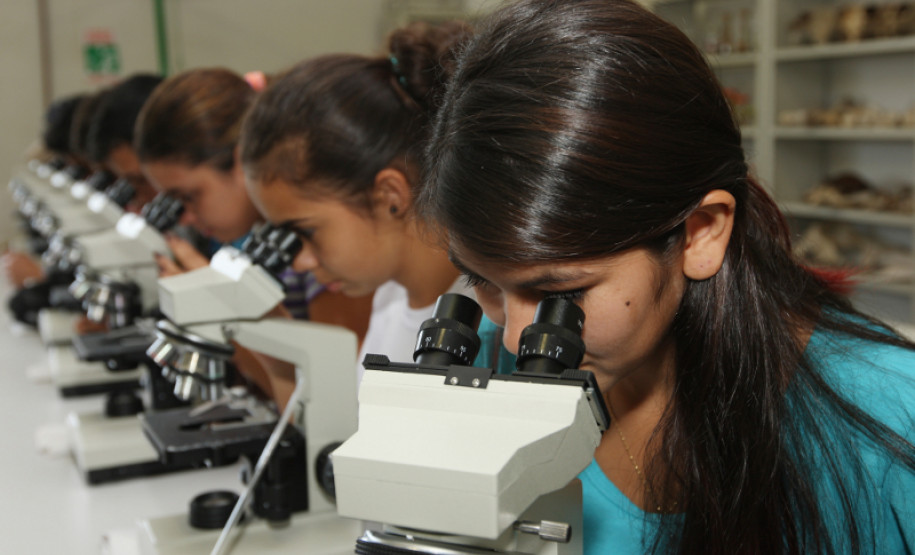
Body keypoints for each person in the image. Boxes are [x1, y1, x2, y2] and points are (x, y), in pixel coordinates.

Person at [417, 0, 915, 553]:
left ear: (700, 233)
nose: (512, 338)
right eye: (481, 282)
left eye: (560, 293)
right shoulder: (491, 358)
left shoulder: (893, 417)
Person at [239, 20, 503, 386]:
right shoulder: (390, 296)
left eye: (306, 231)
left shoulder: (490, 323)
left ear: (390, 196)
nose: (299, 262)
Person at [134, 68, 372, 407]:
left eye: (189, 196)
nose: (184, 217)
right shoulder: (248, 239)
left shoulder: (324, 257)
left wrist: (222, 312)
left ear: (241, 159)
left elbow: (336, 402)